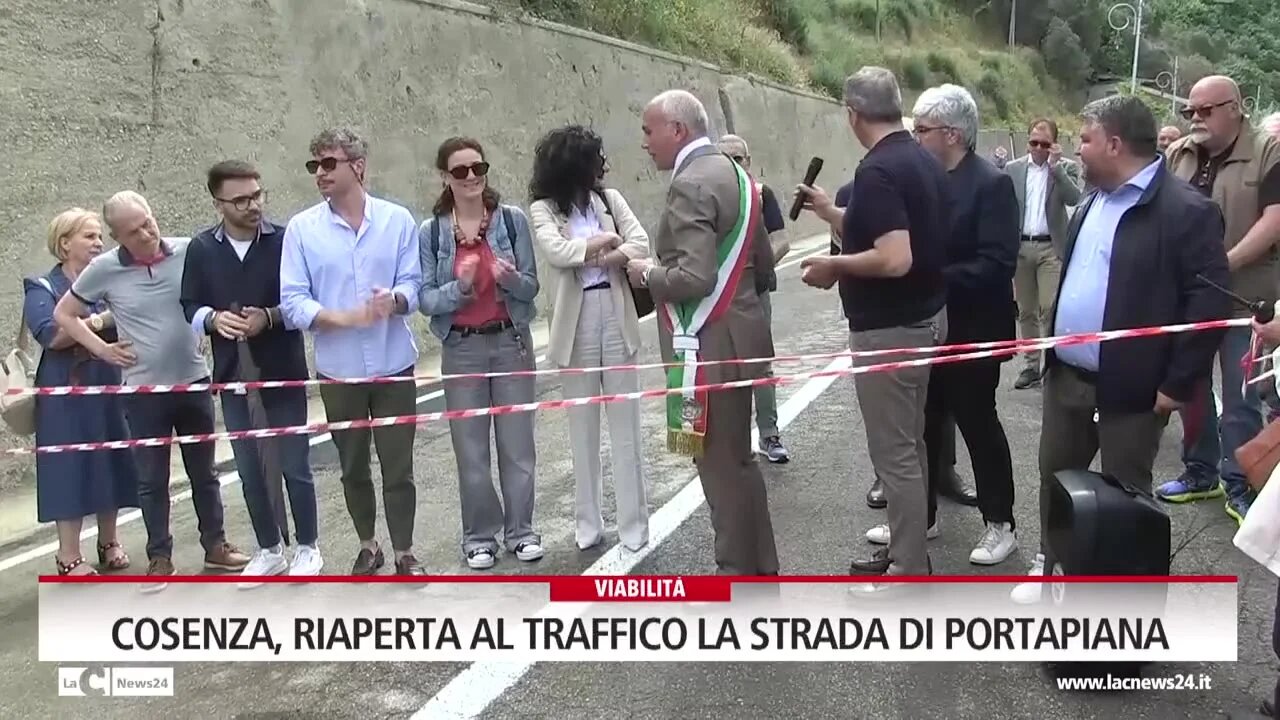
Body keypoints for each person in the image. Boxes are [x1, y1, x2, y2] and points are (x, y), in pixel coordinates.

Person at [1010, 95, 1230, 604]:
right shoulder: (1091, 199)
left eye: (1085, 139)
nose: (1075, 151)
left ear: (1113, 143)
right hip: (1067, 378)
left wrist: (1176, 385)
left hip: (1133, 390)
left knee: (1124, 494)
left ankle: (1119, 607)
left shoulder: (1187, 212)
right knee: (1055, 480)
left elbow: (1209, 308)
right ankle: (1052, 567)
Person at [797, 66, 948, 590]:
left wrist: (833, 267)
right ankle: (911, 549)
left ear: (852, 113)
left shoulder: (878, 171)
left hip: (890, 330)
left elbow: (894, 256)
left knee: (895, 453)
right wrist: (832, 214)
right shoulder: (918, 159)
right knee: (910, 445)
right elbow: (889, 231)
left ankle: (908, 569)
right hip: (922, 321)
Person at [53, 191, 249, 589]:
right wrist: (103, 349)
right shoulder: (104, 269)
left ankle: (216, 547)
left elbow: (212, 298)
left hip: (194, 380)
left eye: (148, 221)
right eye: (134, 230)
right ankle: (160, 557)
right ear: (116, 236)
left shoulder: (187, 250)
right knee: (151, 480)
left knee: (205, 473)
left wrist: (210, 326)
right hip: (143, 391)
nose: (147, 233)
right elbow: (64, 314)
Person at [627, 89, 779, 575]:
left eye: (649, 131)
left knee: (716, 466)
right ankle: (759, 568)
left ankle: (734, 571)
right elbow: (765, 267)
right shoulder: (738, 175)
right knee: (739, 462)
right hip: (739, 341)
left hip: (702, 349)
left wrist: (647, 274)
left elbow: (695, 278)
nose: (645, 142)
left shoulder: (689, 183)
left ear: (677, 130)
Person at [280, 127, 426, 576]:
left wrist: (394, 301)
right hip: (338, 370)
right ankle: (369, 545)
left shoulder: (397, 220)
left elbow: (413, 285)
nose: (320, 173)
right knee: (352, 466)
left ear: (357, 166)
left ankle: (404, 551)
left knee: (399, 467)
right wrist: (342, 318)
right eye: (315, 166)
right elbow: (292, 301)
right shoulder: (302, 229)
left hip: (393, 362)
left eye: (329, 163)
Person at [181, 160, 321, 580]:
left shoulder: (284, 241)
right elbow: (189, 304)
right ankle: (269, 548)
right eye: (240, 199)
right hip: (232, 376)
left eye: (257, 195)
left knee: (294, 465)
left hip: (282, 372)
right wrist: (212, 319)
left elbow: (305, 299)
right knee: (249, 470)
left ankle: (308, 548)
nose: (253, 205)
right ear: (218, 203)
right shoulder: (203, 249)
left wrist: (271, 317)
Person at [902, 84, 1020, 565]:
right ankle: (922, 515)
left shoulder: (991, 184)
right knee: (924, 424)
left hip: (975, 327)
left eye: (921, 129)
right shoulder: (925, 181)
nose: (915, 137)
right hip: (928, 327)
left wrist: (930, 275)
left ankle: (1000, 522)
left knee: (977, 423)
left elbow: (997, 262)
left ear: (952, 134)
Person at [1157, 75, 1280, 525]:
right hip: (1188, 299)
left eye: (1206, 111)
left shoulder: (1269, 151)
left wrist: (1222, 264)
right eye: (1190, 111)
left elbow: (1274, 221)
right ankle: (1200, 471)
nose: (1196, 120)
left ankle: (1240, 482)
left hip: (1242, 300)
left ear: (1236, 107)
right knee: (1188, 386)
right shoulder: (1178, 154)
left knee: (1240, 395)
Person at [419, 136, 544, 570]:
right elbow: (426, 300)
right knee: (470, 450)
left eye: (478, 167)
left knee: (517, 446)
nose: (471, 177)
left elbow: (531, 287)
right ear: (444, 177)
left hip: (511, 342)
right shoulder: (433, 231)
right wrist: (462, 288)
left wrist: (507, 278)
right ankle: (479, 537)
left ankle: (522, 532)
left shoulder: (511, 222)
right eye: (460, 171)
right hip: (462, 349)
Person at [527, 126, 651, 553]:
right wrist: (601, 242)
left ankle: (635, 527)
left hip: (615, 312)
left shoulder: (610, 200)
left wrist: (603, 252)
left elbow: (639, 243)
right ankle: (588, 525)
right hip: (574, 321)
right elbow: (557, 253)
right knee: (582, 429)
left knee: (626, 427)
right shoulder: (543, 209)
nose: (600, 165)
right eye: (593, 157)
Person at [24, 208, 139, 575]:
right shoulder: (41, 288)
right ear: (64, 243)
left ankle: (109, 542)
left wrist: (88, 321)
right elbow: (53, 335)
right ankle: (68, 554)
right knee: (68, 468)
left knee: (112, 462)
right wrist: (101, 320)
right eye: (89, 236)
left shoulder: (107, 281)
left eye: (99, 237)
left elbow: (131, 321)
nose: (98, 243)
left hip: (108, 382)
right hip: (64, 391)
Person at [716, 134, 792, 464]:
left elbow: (781, 242)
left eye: (739, 158)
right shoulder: (709, 196)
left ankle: (769, 434)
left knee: (759, 365)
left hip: (754, 293)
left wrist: (752, 270)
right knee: (723, 368)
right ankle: (731, 440)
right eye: (726, 158)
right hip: (717, 298)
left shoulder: (762, 195)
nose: (734, 164)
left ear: (749, 161)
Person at [1005, 118, 1084, 390]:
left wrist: (1056, 169)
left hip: (1051, 246)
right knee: (1026, 310)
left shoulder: (1066, 169)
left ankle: (1053, 362)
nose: (1038, 148)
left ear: (1054, 145)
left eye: (1044, 144)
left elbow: (1075, 199)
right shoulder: (1013, 169)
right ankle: (1030, 365)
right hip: (1021, 247)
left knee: (1050, 307)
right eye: (1033, 142)